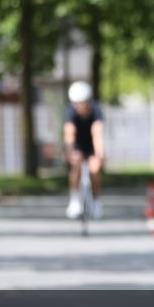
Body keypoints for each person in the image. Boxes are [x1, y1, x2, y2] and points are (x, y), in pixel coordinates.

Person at [64, 81, 105, 220]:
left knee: (95, 170)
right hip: (78, 145)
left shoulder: (96, 110)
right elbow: (69, 133)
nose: (81, 106)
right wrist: (70, 152)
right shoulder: (70, 111)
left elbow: (97, 132)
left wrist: (99, 153)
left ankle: (96, 201)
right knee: (76, 167)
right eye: (78, 103)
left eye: (84, 103)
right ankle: (74, 199)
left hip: (92, 146)